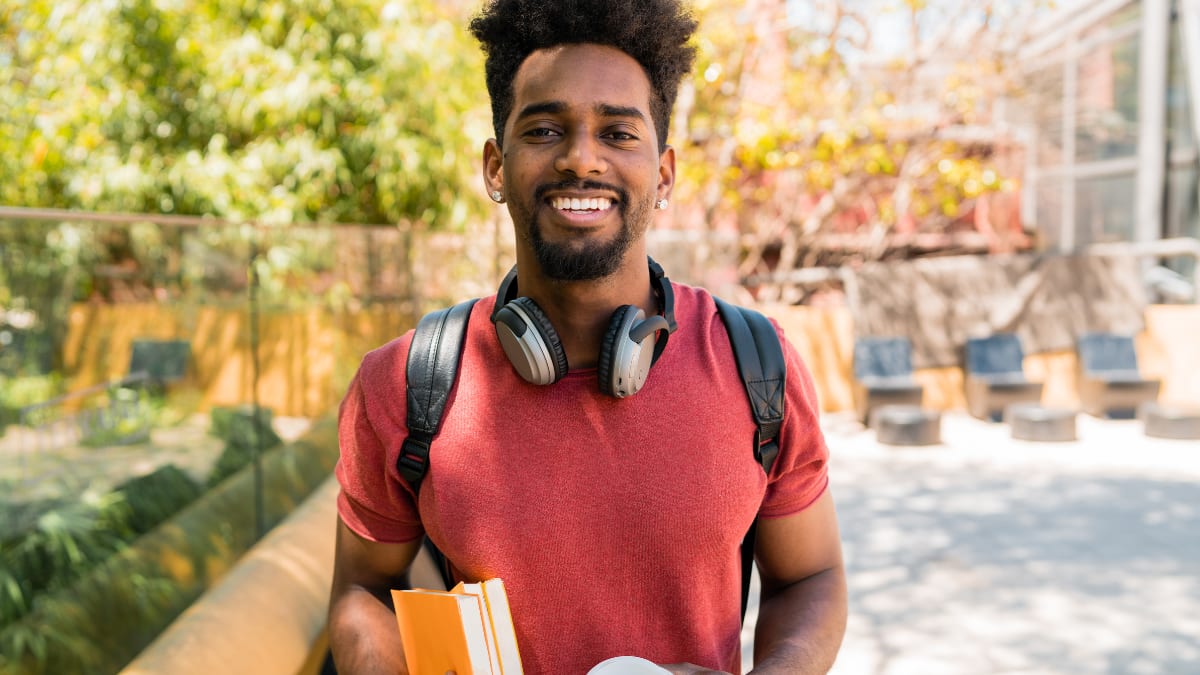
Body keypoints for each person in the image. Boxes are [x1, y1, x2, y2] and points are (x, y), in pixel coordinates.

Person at [327, 1, 847, 673]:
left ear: (663, 174)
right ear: (495, 166)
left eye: (618, 133)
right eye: (544, 129)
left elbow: (811, 576)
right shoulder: (404, 382)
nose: (580, 158)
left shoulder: (757, 364)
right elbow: (362, 586)